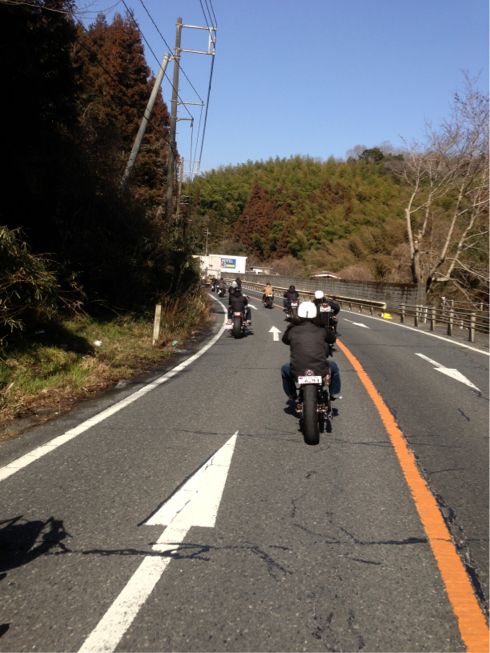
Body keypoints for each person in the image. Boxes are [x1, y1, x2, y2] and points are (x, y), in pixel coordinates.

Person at [281, 301, 341, 404]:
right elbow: (332, 339)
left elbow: (285, 340)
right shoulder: (321, 328)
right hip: (320, 369)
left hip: (297, 369)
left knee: (284, 369)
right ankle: (334, 393)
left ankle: (292, 395)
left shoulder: (292, 329)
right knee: (334, 367)